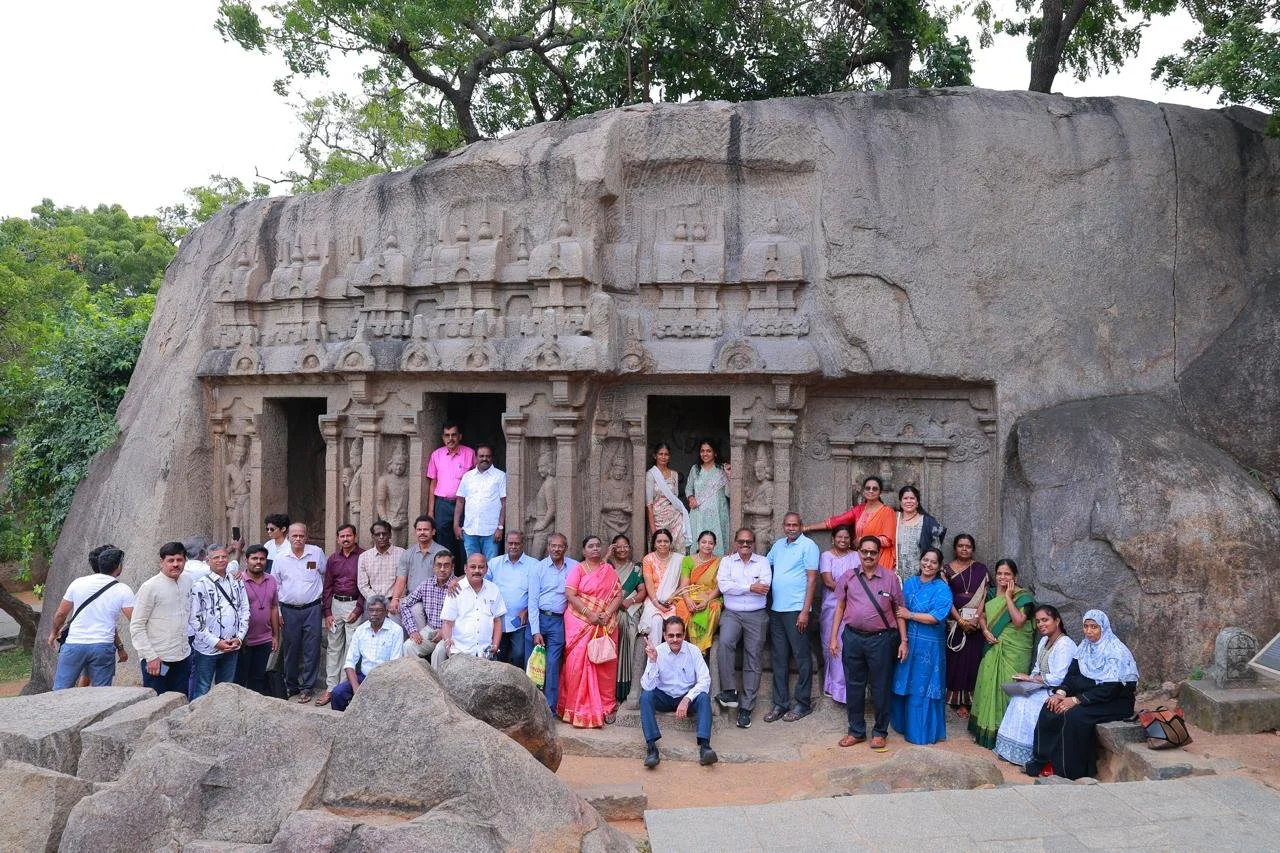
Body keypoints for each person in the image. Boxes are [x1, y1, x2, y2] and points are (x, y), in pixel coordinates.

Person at [1026, 609, 1138, 780]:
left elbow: (1111, 689)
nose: (1089, 631)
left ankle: (1070, 771)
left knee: (1074, 716)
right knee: (1051, 706)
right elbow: (1072, 675)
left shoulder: (1115, 651)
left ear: (1103, 628)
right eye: (1086, 626)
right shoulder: (1084, 648)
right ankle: (1043, 761)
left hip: (1114, 701)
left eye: (1094, 627)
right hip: (1091, 696)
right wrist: (1061, 692)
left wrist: (1076, 700)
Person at [828, 536, 907, 751]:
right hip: (853, 638)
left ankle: (880, 732)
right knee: (854, 686)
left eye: (873, 552)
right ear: (859, 553)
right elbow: (840, 607)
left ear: (879, 554)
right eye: (865, 552)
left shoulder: (890, 578)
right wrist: (833, 638)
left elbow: (899, 611)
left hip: (881, 640)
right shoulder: (848, 577)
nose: (869, 556)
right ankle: (856, 731)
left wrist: (904, 641)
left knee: (881, 686)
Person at [994, 604, 1077, 767]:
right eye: (1038, 621)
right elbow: (1037, 669)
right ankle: (1009, 750)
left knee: (1024, 702)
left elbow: (1059, 678)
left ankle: (1028, 753)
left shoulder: (1065, 645)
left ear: (1057, 621)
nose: (1041, 624)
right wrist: (1027, 681)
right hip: (1042, 687)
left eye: (1045, 620)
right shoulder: (1044, 641)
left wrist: (1031, 679)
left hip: (1058, 691)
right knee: (1017, 696)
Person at [969, 558, 1036, 748]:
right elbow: (982, 615)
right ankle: (985, 731)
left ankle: (1007, 734)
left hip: (1014, 651)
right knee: (988, 685)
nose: (1002, 577)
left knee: (1009, 688)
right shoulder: (990, 593)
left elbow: (1019, 622)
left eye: (1007, 574)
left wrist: (1008, 597)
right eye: (999, 573)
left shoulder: (1024, 598)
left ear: (1015, 576)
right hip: (992, 645)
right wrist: (984, 630)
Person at [558, 535, 623, 728]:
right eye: (591, 546)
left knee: (605, 665)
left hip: (605, 623)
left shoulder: (608, 569)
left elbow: (618, 595)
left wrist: (606, 614)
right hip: (579, 622)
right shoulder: (578, 569)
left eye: (598, 545)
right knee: (576, 665)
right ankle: (576, 709)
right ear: (583, 551)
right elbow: (570, 594)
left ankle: (606, 707)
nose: (595, 548)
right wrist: (590, 614)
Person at [890, 547, 952, 744]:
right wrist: (903, 640)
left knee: (924, 687)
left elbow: (936, 616)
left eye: (933, 562)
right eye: (925, 560)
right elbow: (899, 611)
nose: (928, 564)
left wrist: (910, 615)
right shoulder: (909, 583)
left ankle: (921, 733)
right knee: (905, 681)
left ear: (939, 566)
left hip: (930, 648)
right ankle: (902, 726)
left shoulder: (942, 589)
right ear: (920, 561)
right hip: (908, 642)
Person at [49, 547, 134, 689]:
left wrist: (54, 632)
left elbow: (60, 614)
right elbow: (135, 619)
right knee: (101, 693)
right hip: (102, 646)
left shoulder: (78, 583)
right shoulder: (123, 589)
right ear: (119, 566)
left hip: (74, 644)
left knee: (60, 691)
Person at [640, 616, 718, 768]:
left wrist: (687, 699)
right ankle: (651, 748)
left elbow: (705, 680)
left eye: (678, 635)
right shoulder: (657, 651)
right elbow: (647, 686)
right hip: (663, 697)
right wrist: (653, 661)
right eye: (671, 635)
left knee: (703, 697)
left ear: (684, 635)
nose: (675, 639)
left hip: (686, 697)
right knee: (646, 696)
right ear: (664, 635)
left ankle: (705, 747)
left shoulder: (693, 651)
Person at [764, 512, 820, 723]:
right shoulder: (778, 545)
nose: (791, 528)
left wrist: (805, 611)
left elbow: (812, 580)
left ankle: (803, 703)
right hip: (776, 610)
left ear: (801, 526)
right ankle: (780, 703)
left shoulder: (809, 546)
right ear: (783, 526)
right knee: (779, 658)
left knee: (801, 656)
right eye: (788, 525)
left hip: (797, 610)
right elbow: (764, 564)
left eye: (795, 525)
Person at [715, 528, 771, 729]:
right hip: (732, 613)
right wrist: (749, 587)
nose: (745, 545)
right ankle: (730, 691)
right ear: (735, 543)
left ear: (753, 543)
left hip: (756, 614)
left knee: (753, 658)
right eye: (741, 541)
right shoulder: (727, 562)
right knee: (725, 643)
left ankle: (746, 708)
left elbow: (764, 587)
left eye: (748, 541)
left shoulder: (763, 562)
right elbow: (724, 586)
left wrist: (737, 586)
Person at [130, 542, 195, 696]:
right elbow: (137, 625)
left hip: (182, 656)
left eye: (179, 560)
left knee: (179, 699)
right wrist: (151, 657)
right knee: (157, 701)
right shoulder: (150, 587)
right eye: (170, 560)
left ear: (185, 561)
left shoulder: (187, 581)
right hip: (158, 661)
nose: (175, 564)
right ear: (161, 562)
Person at [274, 522, 328, 703]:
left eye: (301, 536)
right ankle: (291, 685)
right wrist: (279, 612)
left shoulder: (316, 553)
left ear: (307, 537)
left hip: (312, 609)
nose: (298, 539)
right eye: (294, 536)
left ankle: (307, 687)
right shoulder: (281, 558)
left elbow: (324, 574)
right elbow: (275, 586)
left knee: (312, 649)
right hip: (288, 611)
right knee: (291, 649)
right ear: (288, 537)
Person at [188, 544, 250, 699]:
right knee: (202, 688)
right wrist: (215, 642)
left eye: (224, 556)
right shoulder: (200, 585)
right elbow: (195, 619)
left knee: (226, 688)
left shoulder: (237, 581)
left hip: (232, 645)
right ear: (208, 561)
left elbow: (244, 609)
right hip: (207, 648)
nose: (221, 560)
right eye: (216, 557)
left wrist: (239, 637)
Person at [527, 532, 579, 712]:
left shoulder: (574, 566)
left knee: (553, 663)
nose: (556, 549)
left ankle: (550, 708)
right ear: (548, 547)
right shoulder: (539, 568)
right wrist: (535, 631)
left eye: (560, 546)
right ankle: (532, 706)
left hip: (559, 621)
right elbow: (532, 601)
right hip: (539, 619)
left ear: (566, 548)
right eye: (553, 546)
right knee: (534, 663)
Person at [803, 476, 896, 573]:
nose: (871, 491)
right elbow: (835, 521)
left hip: (880, 557)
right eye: (868, 488)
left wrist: (863, 540)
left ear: (880, 492)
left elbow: (887, 541)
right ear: (863, 491)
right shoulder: (859, 510)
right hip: (862, 557)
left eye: (875, 489)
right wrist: (807, 528)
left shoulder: (887, 512)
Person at [329, 595, 404, 712]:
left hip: (386, 679)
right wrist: (356, 688)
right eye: (371, 610)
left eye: (379, 610)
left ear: (386, 612)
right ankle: (343, 722)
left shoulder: (396, 630)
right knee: (338, 693)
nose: (374, 614)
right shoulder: (361, 630)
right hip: (364, 677)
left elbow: (395, 664)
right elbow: (349, 663)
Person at [318, 523, 364, 706]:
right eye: (342, 536)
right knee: (334, 647)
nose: (346, 539)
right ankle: (330, 688)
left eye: (349, 535)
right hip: (336, 604)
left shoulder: (363, 557)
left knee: (352, 648)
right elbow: (327, 587)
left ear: (355, 537)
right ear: (338, 539)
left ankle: (343, 688)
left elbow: (365, 585)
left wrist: (358, 609)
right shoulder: (333, 559)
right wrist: (327, 612)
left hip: (354, 604)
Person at [944, 533, 989, 718]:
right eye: (961, 545)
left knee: (973, 662)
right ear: (955, 548)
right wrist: (960, 621)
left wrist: (976, 618)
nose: (964, 549)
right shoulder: (946, 570)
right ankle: (956, 701)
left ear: (973, 549)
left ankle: (970, 701)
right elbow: (945, 598)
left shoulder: (981, 569)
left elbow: (984, 595)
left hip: (975, 624)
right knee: (956, 662)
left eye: (968, 546)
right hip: (955, 622)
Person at [434, 552, 506, 667]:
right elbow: (447, 622)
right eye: (473, 567)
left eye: (481, 567)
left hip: (486, 654)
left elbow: (497, 620)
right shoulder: (456, 590)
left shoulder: (493, 589)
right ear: (465, 568)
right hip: (460, 654)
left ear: (486, 569)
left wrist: (495, 645)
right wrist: (448, 644)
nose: (477, 570)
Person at [425, 421, 475, 568]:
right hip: (443, 504)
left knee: (465, 539)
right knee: (444, 541)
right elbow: (433, 483)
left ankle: (464, 574)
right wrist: (430, 511)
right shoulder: (436, 455)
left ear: (460, 436)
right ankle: (447, 574)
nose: (450, 438)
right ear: (443, 437)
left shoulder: (470, 454)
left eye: (454, 435)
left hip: (465, 504)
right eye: (447, 435)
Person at [818, 525, 858, 703]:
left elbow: (861, 578)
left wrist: (853, 595)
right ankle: (831, 686)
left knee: (846, 646)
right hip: (832, 606)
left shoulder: (856, 556)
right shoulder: (827, 556)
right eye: (839, 537)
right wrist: (849, 592)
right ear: (833, 539)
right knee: (831, 644)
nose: (843, 540)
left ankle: (843, 689)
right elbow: (828, 581)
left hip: (853, 606)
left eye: (846, 537)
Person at [487, 530, 538, 665]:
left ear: (523, 544)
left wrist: (527, 610)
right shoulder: (494, 563)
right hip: (497, 620)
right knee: (498, 656)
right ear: (505, 544)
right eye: (510, 543)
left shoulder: (534, 565)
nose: (513, 546)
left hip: (519, 621)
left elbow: (540, 593)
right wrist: (456, 581)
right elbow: (480, 582)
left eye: (517, 543)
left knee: (518, 654)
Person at [235, 544, 280, 696]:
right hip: (243, 641)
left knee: (258, 679)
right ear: (246, 560)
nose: (258, 562)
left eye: (262, 559)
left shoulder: (271, 580)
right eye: (254, 558)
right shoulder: (238, 580)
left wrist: (275, 636)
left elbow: (274, 607)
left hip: (265, 639)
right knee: (240, 680)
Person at [608, 534, 647, 703]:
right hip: (609, 611)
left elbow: (642, 591)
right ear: (613, 548)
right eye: (618, 546)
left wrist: (630, 601)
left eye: (625, 546)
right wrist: (606, 556)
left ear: (630, 548)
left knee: (628, 629)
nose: (622, 549)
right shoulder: (606, 567)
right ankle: (609, 691)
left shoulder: (636, 569)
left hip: (629, 610)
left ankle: (628, 687)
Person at [673, 530, 723, 655]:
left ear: (715, 545)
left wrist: (706, 601)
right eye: (704, 542)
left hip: (711, 596)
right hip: (690, 594)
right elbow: (684, 585)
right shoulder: (688, 560)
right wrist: (688, 600)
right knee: (682, 606)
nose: (707, 545)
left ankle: (701, 649)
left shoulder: (719, 562)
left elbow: (719, 587)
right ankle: (683, 646)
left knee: (714, 607)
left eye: (710, 543)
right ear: (698, 543)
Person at [454, 444, 507, 561]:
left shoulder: (500, 476)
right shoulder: (467, 476)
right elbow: (460, 502)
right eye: (481, 456)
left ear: (492, 457)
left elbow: (504, 503)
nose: (484, 459)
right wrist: (456, 526)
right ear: (475, 457)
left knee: (491, 566)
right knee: (472, 565)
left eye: (488, 456)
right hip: (470, 531)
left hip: (491, 532)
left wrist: (500, 527)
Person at [400, 552, 454, 661]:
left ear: (452, 567)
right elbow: (404, 604)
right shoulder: (426, 585)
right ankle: (418, 672)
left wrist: (444, 631)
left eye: (446, 565)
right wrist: (413, 630)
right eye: (439, 565)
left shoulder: (458, 586)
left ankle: (437, 674)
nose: (442, 569)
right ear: (433, 567)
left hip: (452, 632)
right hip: (430, 630)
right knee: (408, 647)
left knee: (439, 652)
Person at [686, 439, 730, 557]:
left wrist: (729, 475)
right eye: (702, 451)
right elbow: (688, 489)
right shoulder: (695, 469)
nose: (705, 454)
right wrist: (691, 498)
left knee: (718, 543)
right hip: (698, 513)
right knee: (699, 540)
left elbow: (729, 494)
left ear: (715, 453)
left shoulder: (722, 469)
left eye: (708, 451)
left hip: (718, 514)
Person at [893, 485, 945, 584]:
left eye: (912, 498)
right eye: (905, 498)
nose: (909, 501)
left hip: (921, 575)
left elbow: (936, 550)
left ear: (917, 502)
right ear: (900, 502)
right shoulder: (894, 519)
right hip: (895, 576)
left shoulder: (928, 522)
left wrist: (941, 571)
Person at [357, 520, 405, 625]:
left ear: (390, 535)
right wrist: (377, 602)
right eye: (377, 534)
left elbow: (405, 581)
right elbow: (362, 584)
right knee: (367, 630)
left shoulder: (402, 554)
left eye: (384, 534)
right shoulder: (364, 557)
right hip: (372, 601)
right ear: (372, 537)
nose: (381, 537)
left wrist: (395, 599)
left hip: (395, 602)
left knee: (397, 630)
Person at [646, 443, 690, 553]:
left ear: (669, 456)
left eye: (666, 454)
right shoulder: (651, 474)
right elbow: (649, 505)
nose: (663, 457)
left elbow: (675, 498)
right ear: (655, 456)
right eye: (660, 454)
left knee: (678, 550)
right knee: (660, 549)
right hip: (658, 518)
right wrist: (653, 530)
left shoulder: (674, 474)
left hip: (675, 518)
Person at [640, 529, 682, 642]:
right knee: (656, 620)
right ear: (654, 543)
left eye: (666, 541)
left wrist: (672, 598)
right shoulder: (648, 559)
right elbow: (649, 585)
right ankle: (654, 652)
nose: (662, 544)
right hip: (653, 600)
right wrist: (657, 604)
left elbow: (682, 585)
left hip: (674, 600)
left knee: (675, 622)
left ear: (670, 543)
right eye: (659, 541)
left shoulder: (679, 559)